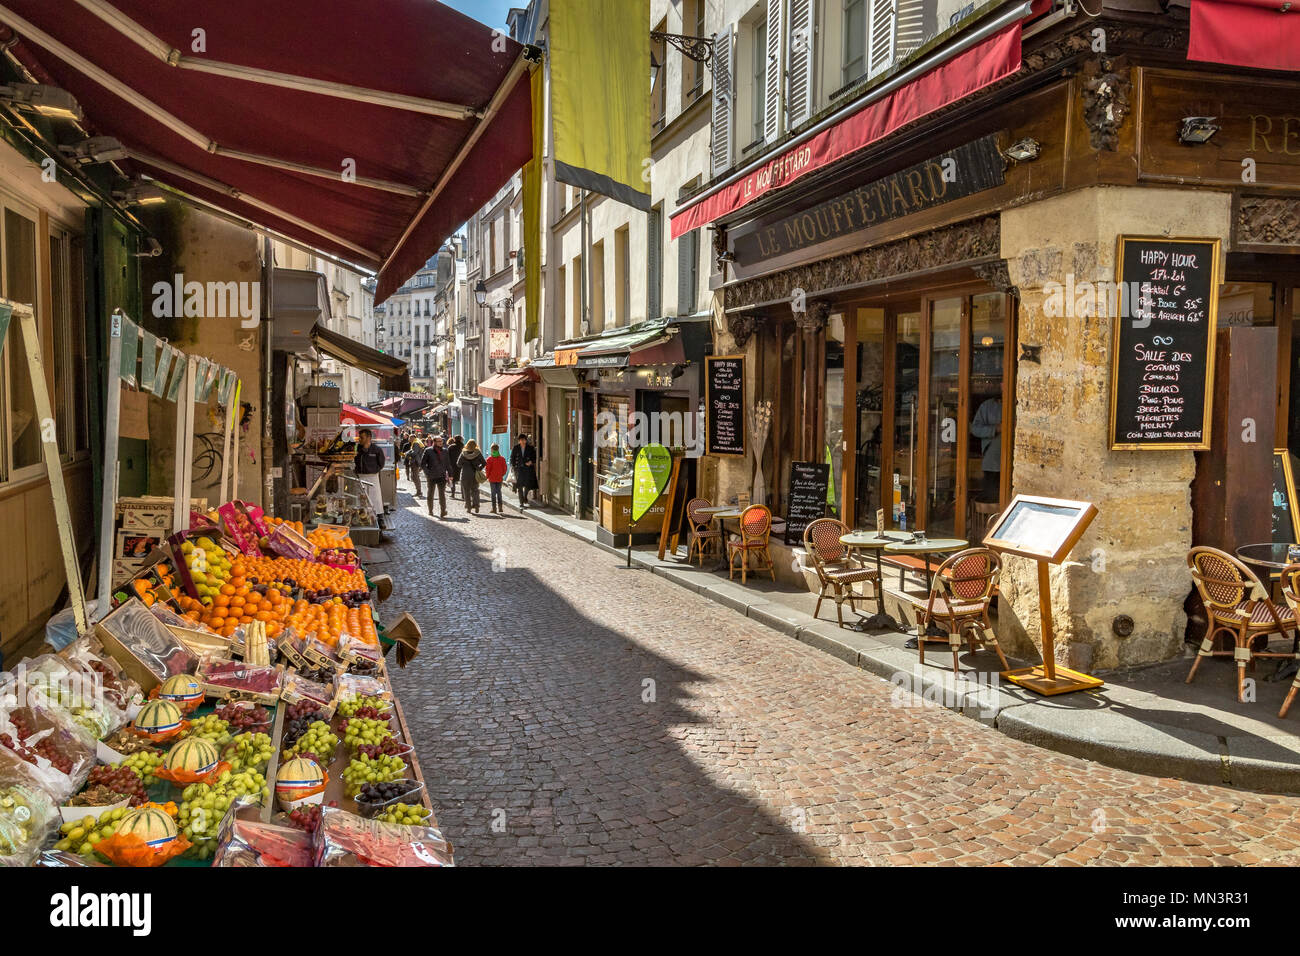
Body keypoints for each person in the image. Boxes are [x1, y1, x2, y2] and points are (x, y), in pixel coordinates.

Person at [970, 396, 1002, 503]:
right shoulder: (987, 406)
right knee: (992, 501)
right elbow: (975, 429)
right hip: (992, 465)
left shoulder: (1020, 404)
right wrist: (995, 429)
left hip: (1014, 465)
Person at [352, 428, 385, 519]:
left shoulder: (377, 450)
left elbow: (381, 464)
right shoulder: (357, 449)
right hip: (360, 477)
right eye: (359, 437)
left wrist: (373, 470)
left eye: (362, 437)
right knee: (361, 499)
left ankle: (378, 518)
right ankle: (361, 517)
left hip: (373, 478)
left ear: (368, 438)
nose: (360, 439)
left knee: (375, 499)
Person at [420, 435, 452, 518]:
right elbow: (423, 464)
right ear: (434, 442)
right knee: (430, 493)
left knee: (442, 494)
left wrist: (450, 474)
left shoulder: (445, 451)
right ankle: (430, 510)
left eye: (441, 441)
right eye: (439, 441)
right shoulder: (428, 450)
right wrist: (427, 473)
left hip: (442, 475)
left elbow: (448, 464)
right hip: (431, 476)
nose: (441, 443)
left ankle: (443, 511)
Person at [509, 433, 538, 509]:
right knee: (519, 486)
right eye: (521, 440)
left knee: (527, 485)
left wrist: (531, 462)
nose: (522, 441)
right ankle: (521, 502)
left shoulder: (530, 448)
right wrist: (513, 466)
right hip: (519, 470)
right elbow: (512, 458)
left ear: (526, 440)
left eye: (523, 440)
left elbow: (534, 458)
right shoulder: (516, 448)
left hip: (528, 469)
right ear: (519, 441)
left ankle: (525, 496)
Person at [457, 439, 485, 514]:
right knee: (475, 490)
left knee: (466, 491)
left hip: (465, 475)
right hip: (474, 475)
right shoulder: (478, 453)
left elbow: (458, 464)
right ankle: (476, 505)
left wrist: (464, 465)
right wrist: (479, 468)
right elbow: (484, 463)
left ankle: (468, 507)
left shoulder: (463, 453)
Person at [485, 443, 508, 514]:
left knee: (493, 493)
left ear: (491, 449)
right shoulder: (502, 459)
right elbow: (505, 469)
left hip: (492, 478)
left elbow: (487, 469)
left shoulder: (489, 459)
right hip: (499, 478)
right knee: (499, 492)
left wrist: (487, 476)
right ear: (498, 449)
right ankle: (500, 507)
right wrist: (501, 475)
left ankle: (494, 508)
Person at [447, 434, 465, 500]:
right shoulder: (463, 446)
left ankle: (452, 494)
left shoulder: (451, 447)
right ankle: (463, 495)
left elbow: (447, 457)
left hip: (452, 466)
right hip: (461, 465)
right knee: (462, 480)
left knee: (452, 480)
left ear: (454, 439)